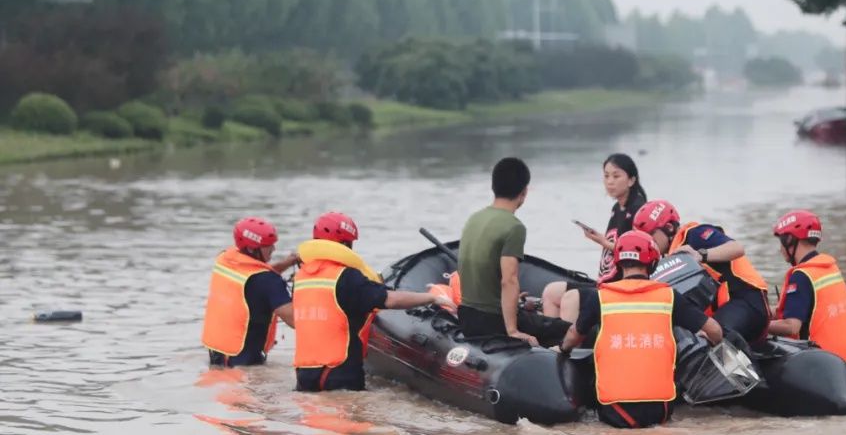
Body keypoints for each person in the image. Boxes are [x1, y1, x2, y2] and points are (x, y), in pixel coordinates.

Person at [555, 230, 725, 429]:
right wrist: (710, 337)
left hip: (614, 409)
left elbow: (574, 336)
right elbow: (715, 330)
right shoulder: (670, 297)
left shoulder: (599, 298)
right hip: (659, 409)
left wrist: (562, 350)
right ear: (653, 263)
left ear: (618, 263)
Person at [293, 211, 454, 391]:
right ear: (345, 244)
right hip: (338, 373)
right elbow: (391, 300)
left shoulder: (301, 278)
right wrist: (432, 297)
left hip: (304, 374)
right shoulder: (346, 277)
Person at [457, 157, 571, 347]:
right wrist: (512, 330)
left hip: (467, 316)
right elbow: (508, 279)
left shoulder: (474, 219)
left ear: (493, 187)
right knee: (576, 330)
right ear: (524, 192)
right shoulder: (514, 227)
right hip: (494, 321)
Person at [632, 200, 772, 341]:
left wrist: (700, 255)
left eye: (650, 235)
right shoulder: (662, 261)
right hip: (721, 312)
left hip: (747, 300)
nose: (647, 242)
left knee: (712, 336)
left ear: (668, 227)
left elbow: (737, 248)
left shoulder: (695, 234)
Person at [541, 153, 648, 321]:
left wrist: (603, 241)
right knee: (550, 292)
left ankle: (568, 345)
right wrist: (602, 240)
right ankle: (551, 343)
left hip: (620, 287)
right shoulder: (616, 208)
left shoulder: (639, 210)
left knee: (570, 299)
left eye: (616, 176)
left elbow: (637, 252)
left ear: (631, 180)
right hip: (604, 282)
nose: (609, 181)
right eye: (606, 176)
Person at [201, 216, 298, 367]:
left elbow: (256, 274)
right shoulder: (269, 282)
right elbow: (296, 321)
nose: (273, 249)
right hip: (245, 367)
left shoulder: (225, 260)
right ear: (253, 249)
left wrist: (286, 263)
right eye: (268, 246)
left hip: (218, 358)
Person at [768, 210, 846, 363]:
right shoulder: (829, 268)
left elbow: (791, 327)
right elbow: (805, 310)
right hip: (843, 362)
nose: (780, 249)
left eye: (781, 242)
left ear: (790, 240)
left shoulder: (802, 276)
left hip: (818, 363)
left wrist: (758, 326)